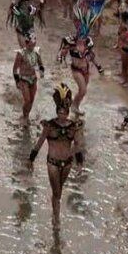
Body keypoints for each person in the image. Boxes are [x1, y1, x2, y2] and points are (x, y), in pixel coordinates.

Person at [27, 84, 84, 224]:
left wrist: (80, 163)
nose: (62, 115)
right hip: (52, 163)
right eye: (59, 112)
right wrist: (31, 159)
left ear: (68, 112)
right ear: (57, 111)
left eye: (64, 113)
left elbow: (78, 145)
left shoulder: (74, 127)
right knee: (57, 192)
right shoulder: (49, 126)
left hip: (67, 163)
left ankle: (55, 212)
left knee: (59, 190)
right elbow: (40, 142)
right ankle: (56, 218)